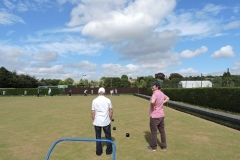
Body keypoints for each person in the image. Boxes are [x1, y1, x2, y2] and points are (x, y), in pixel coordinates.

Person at [147, 81, 169, 152]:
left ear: (156, 86)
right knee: (162, 131)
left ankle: (153, 147)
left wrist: (153, 107)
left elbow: (152, 102)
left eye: (153, 85)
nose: (152, 87)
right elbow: (168, 98)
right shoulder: (161, 93)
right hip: (161, 115)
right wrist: (162, 102)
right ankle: (164, 147)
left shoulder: (155, 94)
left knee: (154, 132)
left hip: (154, 116)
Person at [91, 87, 113, 156]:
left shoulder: (94, 100)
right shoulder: (108, 100)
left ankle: (98, 152)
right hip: (106, 121)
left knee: (98, 137)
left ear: (98, 92)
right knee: (108, 136)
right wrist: (110, 118)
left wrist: (93, 119)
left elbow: (92, 111)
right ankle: (109, 151)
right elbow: (111, 111)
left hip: (97, 122)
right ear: (104, 92)